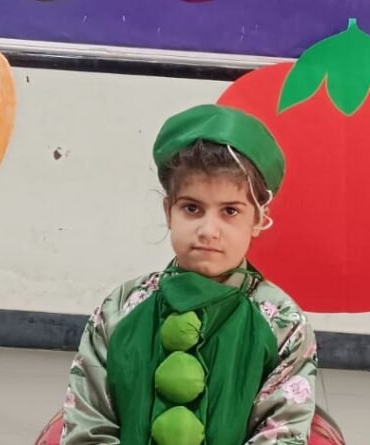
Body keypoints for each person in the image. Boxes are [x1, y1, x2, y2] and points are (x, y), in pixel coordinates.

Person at [60, 104, 318, 445]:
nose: (208, 230)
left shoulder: (282, 323)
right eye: (192, 208)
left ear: (258, 219)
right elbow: (87, 425)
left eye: (230, 211)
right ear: (169, 211)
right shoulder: (121, 308)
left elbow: (282, 434)